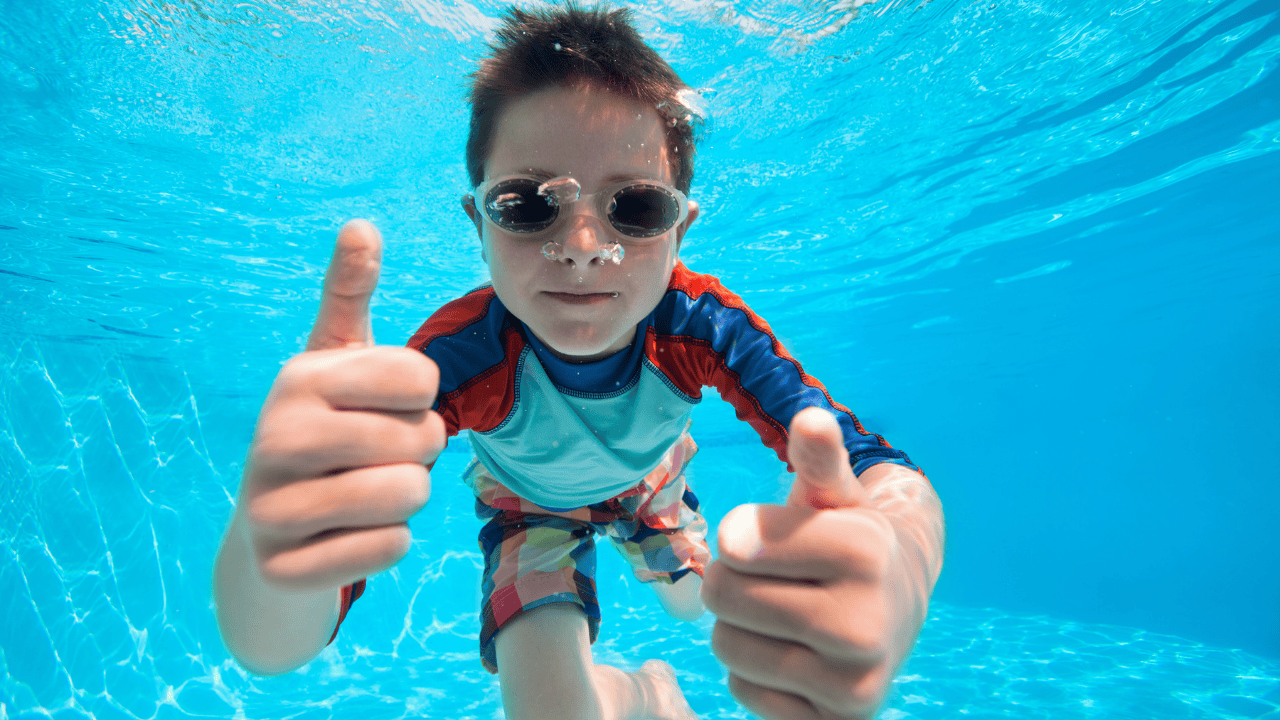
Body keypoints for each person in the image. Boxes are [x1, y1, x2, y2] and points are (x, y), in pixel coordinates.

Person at [213, 5, 944, 720]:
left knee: (705, 607)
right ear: (479, 222)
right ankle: (639, 697)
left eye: (637, 208)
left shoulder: (701, 326)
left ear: (680, 229)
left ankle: (655, 676)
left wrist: (900, 555)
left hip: (652, 483)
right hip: (527, 503)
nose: (587, 244)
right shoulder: (455, 359)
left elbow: (868, 462)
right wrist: (269, 544)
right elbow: (277, 649)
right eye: (529, 204)